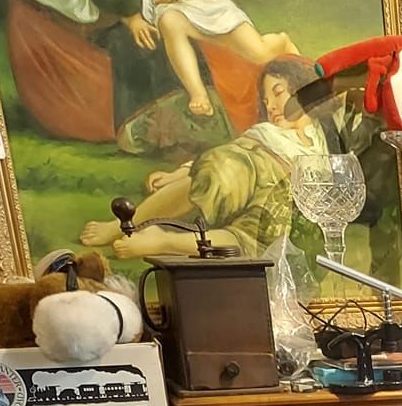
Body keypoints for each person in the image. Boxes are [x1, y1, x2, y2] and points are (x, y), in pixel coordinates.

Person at [80, 57, 325, 259]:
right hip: (249, 169)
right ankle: (123, 225)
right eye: (266, 101)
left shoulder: (322, 137)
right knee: (216, 175)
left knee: (252, 240)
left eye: (278, 93)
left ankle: (163, 242)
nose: (271, 106)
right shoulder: (265, 134)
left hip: (281, 191)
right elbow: (228, 154)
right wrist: (179, 173)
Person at [90, 0, 294, 120]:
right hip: (164, 7)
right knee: (170, 23)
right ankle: (198, 93)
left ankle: (281, 41)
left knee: (258, 52)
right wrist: (133, 19)